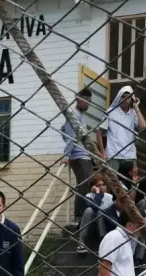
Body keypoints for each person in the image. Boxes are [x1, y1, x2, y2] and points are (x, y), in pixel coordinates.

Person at [62, 87, 104, 221]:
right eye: (86, 101)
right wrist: (67, 155)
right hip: (79, 156)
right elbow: (70, 136)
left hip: (84, 154)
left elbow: (62, 129)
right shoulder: (73, 114)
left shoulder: (81, 116)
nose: (88, 104)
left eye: (90, 101)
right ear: (78, 99)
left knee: (86, 184)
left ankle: (83, 213)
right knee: (84, 185)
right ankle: (79, 215)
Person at [104, 86, 146, 169]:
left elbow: (143, 126)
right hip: (113, 154)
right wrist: (103, 151)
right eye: (123, 96)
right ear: (119, 97)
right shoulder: (111, 112)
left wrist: (136, 107)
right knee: (113, 181)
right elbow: (100, 131)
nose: (125, 99)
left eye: (128, 97)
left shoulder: (133, 113)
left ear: (131, 99)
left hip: (129, 154)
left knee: (130, 180)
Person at [79, 173, 116, 254]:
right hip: (91, 223)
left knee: (100, 211)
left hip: (105, 224)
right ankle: (81, 241)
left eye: (103, 185)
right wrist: (97, 194)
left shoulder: (109, 197)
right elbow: (95, 207)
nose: (102, 187)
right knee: (89, 210)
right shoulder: (88, 196)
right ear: (93, 187)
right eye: (98, 185)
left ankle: (103, 241)